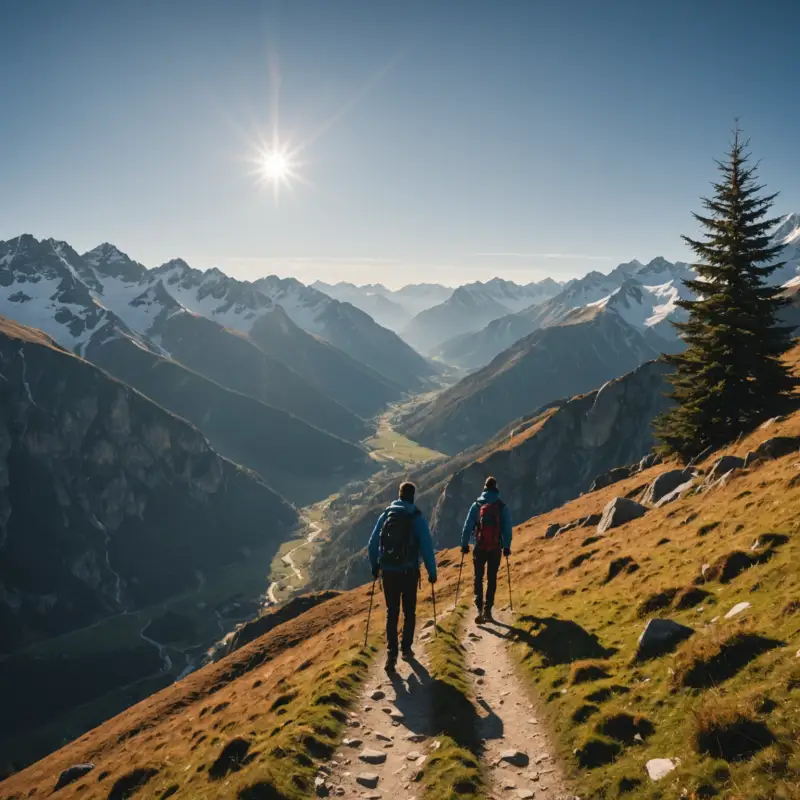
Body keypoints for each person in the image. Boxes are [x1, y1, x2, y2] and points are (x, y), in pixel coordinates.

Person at [368, 481, 437, 673]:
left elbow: (372, 544)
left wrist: (375, 567)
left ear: (399, 495)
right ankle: (406, 649)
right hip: (408, 572)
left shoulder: (386, 515)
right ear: (413, 496)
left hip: (388, 572)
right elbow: (426, 547)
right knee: (409, 611)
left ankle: (391, 654)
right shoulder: (416, 518)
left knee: (392, 612)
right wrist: (432, 572)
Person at [460, 476, 512, 624]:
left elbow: (467, 525)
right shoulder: (502, 506)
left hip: (479, 545)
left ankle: (479, 609)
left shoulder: (476, 505)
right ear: (496, 488)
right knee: (492, 577)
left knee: (478, 576)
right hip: (495, 547)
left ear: (484, 488)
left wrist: (464, 544)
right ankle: (489, 609)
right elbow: (507, 529)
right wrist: (506, 546)